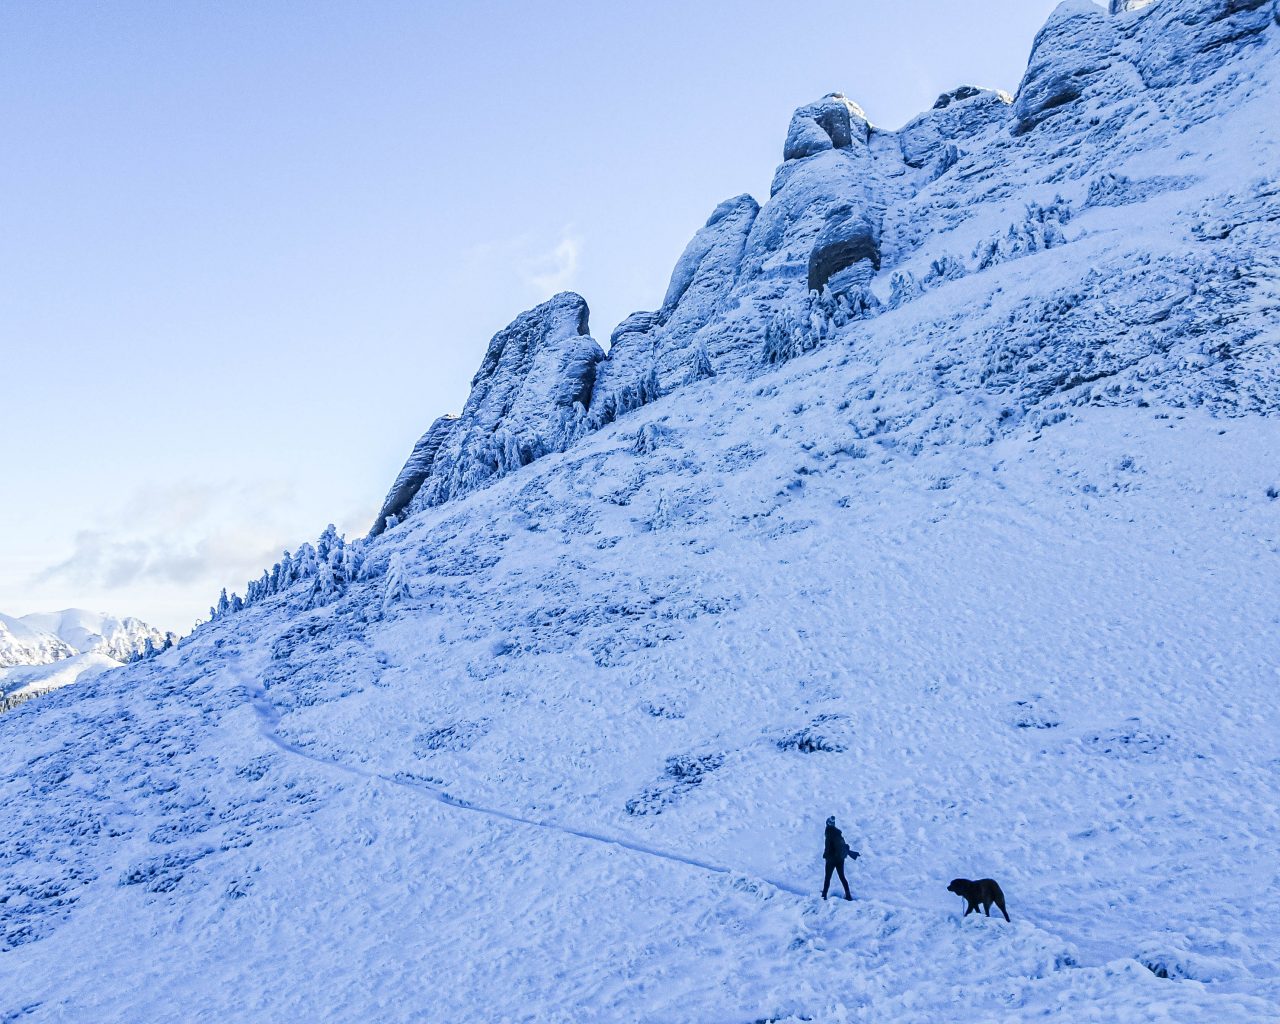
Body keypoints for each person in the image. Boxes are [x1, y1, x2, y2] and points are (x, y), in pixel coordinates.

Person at [822, 815, 859, 900]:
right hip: (840, 859)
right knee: (842, 877)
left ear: (827, 824)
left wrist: (825, 854)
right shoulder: (838, 833)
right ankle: (848, 895)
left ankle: (824, 895)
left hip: (831, 859)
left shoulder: (828, 833)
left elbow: (828, 847)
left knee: (827, 877)